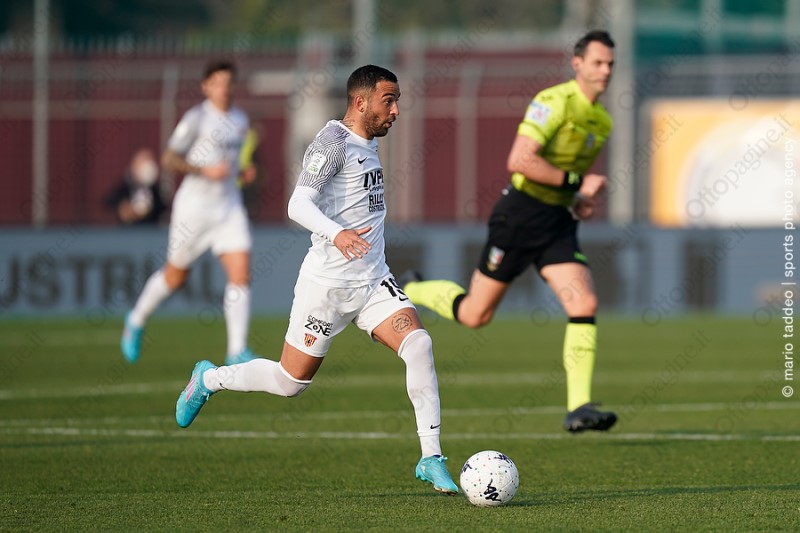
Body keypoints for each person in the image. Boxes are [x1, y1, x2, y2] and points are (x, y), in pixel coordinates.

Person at [174, 65, 460, 495]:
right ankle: (210, 379)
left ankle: (430, 457)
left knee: (419, 344)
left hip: (373, 281)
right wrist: (337, 233)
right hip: (325, 288)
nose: (396, 111)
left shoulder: (368, 142)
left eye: (397, 101)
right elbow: (298, 204)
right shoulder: (332, 143)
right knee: (290, 383)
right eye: (389, 101)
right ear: (360, 102)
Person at [400, 30, 618, 433]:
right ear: (577, 64)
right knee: (475, 314)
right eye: (598, 62)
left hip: (557, 223)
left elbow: (566, 183)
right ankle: (412, 289)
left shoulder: (602, 121)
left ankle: (578, 407)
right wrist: (577, 183)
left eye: (610, 64)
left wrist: (580, 199)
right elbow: (520, 160)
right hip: (519, 216)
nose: (605, 70)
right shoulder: (554, 101)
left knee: (584, 302)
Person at [121, 60, 260, 366]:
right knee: (175, 276)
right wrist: (203, 170)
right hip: (195, 210)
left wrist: (243, 172)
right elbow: (169, 159)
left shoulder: (240, 119)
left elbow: (231, 165)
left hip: (229, 207)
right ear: (206, 87)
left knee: (241, 273)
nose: (224, 89)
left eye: (229, 82)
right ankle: (137, 318)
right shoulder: (197, 118)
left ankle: (236, 349)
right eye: (218, 83)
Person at [105, 148, 167, 225]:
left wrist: (149, 209)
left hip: (149, 229)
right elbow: (108, 203)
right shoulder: (125, 187)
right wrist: (122, 208)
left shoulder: (155, 190)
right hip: (127, 230)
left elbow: (163, 208)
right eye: (144, 162)